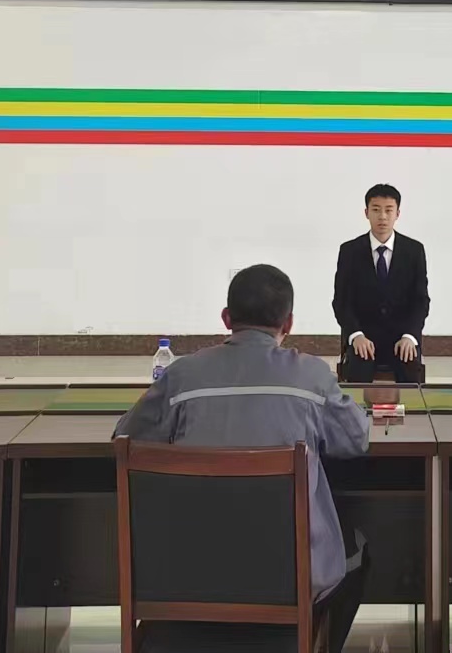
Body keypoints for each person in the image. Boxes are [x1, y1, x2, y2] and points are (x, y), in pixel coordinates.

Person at [114, 264, 373, 653]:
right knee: (357, 551)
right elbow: (356, 439)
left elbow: (125, 436)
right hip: (288, 581)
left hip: (182, 577)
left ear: (226, 318)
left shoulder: (182, 376)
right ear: (288, 323)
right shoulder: (311, 377)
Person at [333, 183, 430, 384]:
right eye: (376, 210)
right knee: (358, 372)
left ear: (398, 213)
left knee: (410, 371)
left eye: (389, 210)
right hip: (364, 338)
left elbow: (421, 301)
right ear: (366, 213)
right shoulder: (349, 251)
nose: (383, 217)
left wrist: (410, 336)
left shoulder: (414, 251)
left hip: (401, 338)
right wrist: (356, 335)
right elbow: (341, 302)